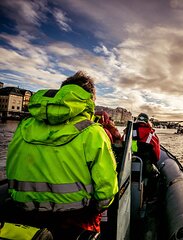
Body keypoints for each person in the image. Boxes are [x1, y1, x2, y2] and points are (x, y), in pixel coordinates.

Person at [5, 71, 118, 238]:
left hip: (24, 215)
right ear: (89, 99)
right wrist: (95, 208)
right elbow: (107, 191)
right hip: (75, 219)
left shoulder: (24, 125)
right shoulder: (93, 132)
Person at [131, 113, 160, 199]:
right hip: (144, 165)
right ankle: (150, 197)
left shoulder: (129, 131)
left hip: (128, 164)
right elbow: (156, 154)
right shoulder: (151, 134)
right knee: (155, 175)